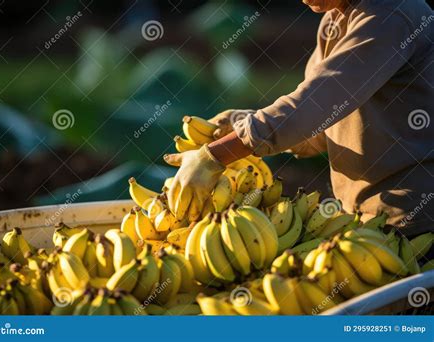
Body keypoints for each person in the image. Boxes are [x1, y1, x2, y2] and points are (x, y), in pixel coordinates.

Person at [164, 0, 434, 237]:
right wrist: (241, 121)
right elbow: (316, 128)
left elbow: (316, 102)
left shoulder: (391, 15)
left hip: (414, 222)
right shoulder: (335, 20)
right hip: (365, 220)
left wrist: (214, 157)